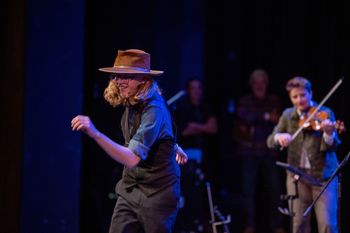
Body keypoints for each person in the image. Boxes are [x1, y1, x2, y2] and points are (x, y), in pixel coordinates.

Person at [71, 49, 188, 233]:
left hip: (157, 192)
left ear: (143, 80)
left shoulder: (154, 109)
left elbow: (132, 158)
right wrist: (172, 146)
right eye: (117, 76)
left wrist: (95, 133)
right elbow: (154, 132)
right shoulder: (132, 101)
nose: (119, 81)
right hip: (130, 189)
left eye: (127, 76)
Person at [267, 76, 339, 233]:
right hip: (297, 178)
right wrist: (279, 137)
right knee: (298, 225)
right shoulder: (287, 115)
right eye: (295, 96)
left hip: (323, 178)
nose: (299, 100)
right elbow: (270, 140)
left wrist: (328, 134)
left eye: (303, 95)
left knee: (328, 225)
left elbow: (333, 147)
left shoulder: (325, 113)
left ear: (310, 93)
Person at [233, 69, 285, 233]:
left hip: (269, 152)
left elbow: (278, 121)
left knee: (275, 191)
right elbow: (245, 117)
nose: (259, 85)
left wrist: (258, 120)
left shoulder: (274, 101)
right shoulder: (244, 101)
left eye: (262, 82)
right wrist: (265, 117)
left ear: (266, 84)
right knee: (247, 192)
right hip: (249, 152)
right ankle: (249, 226)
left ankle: (278, 226)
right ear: (251, 84)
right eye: (256, 82)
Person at [173, 77, 218, 232]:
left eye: (199, 88)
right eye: (193, 88)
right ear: (188, 90)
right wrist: (203, 127)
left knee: (203, 191)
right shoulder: (182, 107)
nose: (196, 91)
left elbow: (213, 128)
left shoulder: (205, 106)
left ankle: (202, 223)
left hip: (204, 157)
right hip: (186, 156)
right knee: (188, 192)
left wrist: (195, 126)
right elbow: (184, 131)